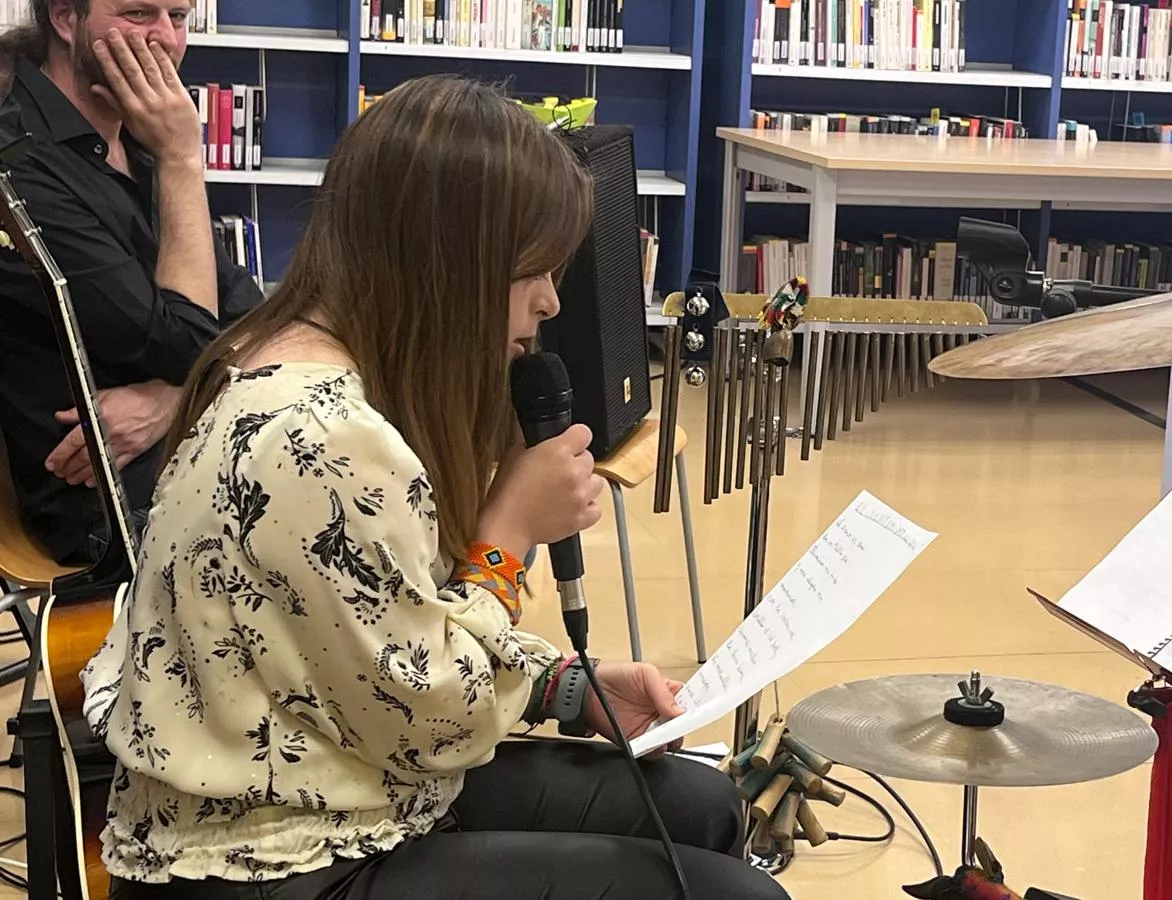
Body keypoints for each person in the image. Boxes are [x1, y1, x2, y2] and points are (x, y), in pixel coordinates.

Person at [80, 72, 791, 900]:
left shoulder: (284, 353)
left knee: (702, 807)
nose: (551, 300)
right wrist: (505, 540)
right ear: (453, 260)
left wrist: (565, 688)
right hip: (272, 854)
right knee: (738, 894)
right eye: (534, 269)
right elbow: (433, 718)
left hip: (339, 771)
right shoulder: (324, 436)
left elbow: (388, 630)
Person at [0, 0, 262, 567]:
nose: (166, 40)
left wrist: (172, 400)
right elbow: (187, 341)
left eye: (179, 17)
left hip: (190, 446)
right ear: (67, 20)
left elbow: (252, 313)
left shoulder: (142, 142)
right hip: (106, 505)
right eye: (139, 14)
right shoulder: (19, 162)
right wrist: (182, 159)